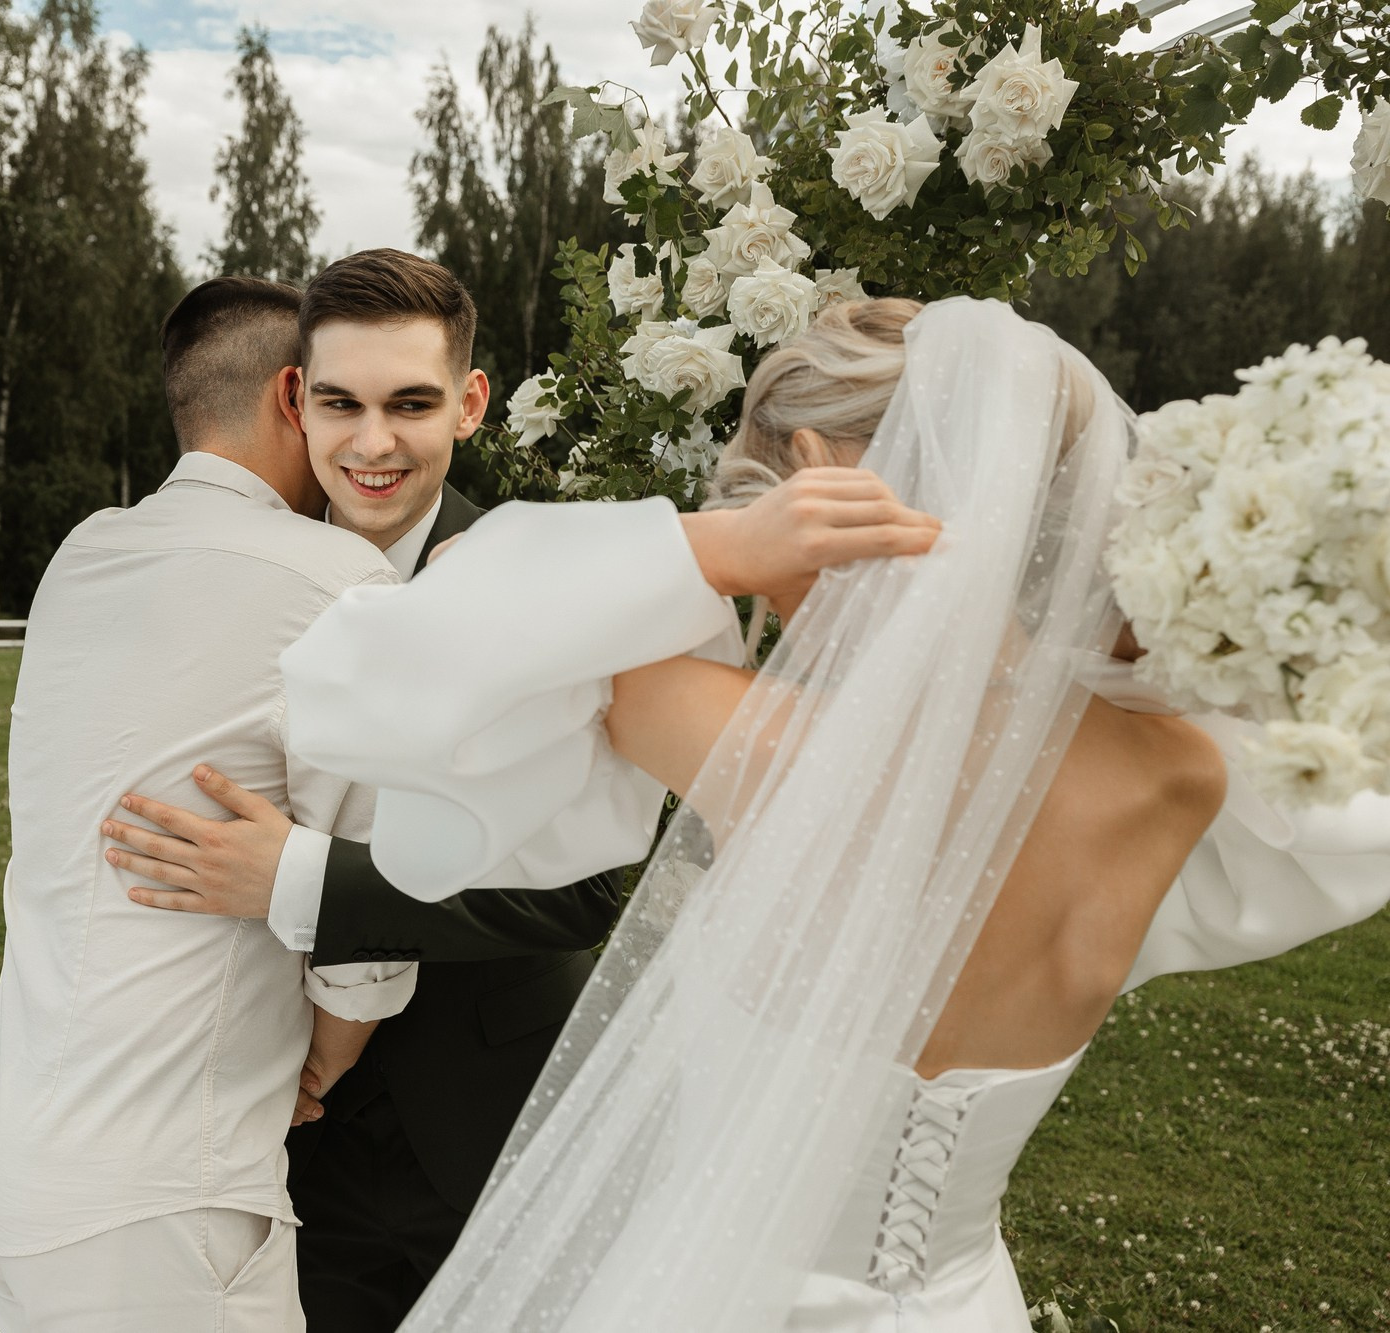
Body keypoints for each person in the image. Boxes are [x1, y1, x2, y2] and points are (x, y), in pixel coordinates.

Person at [279, 297, 1390, 1331]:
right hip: (960, 1301)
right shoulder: (1187, 772)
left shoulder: (731, 732)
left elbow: (396, 651)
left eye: (746, 501)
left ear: (806, 477)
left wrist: (713, 550)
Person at [97, 251, 947, 1332]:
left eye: (409, 404)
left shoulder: (558, 576)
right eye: (339, 403)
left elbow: (590, 892)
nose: (370, 443)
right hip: (275, 1131)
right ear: (294, 399)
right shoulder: (227, 581)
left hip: (481, 1127)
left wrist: (301, 881)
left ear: (468, 403)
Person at [0, 276, 420, 1333]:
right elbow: (373, 899)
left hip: (12, 1144)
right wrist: (322, 1063)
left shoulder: (83, 554)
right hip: (163, 1192)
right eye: (342, 403)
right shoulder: (340, 582)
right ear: (294, 396)